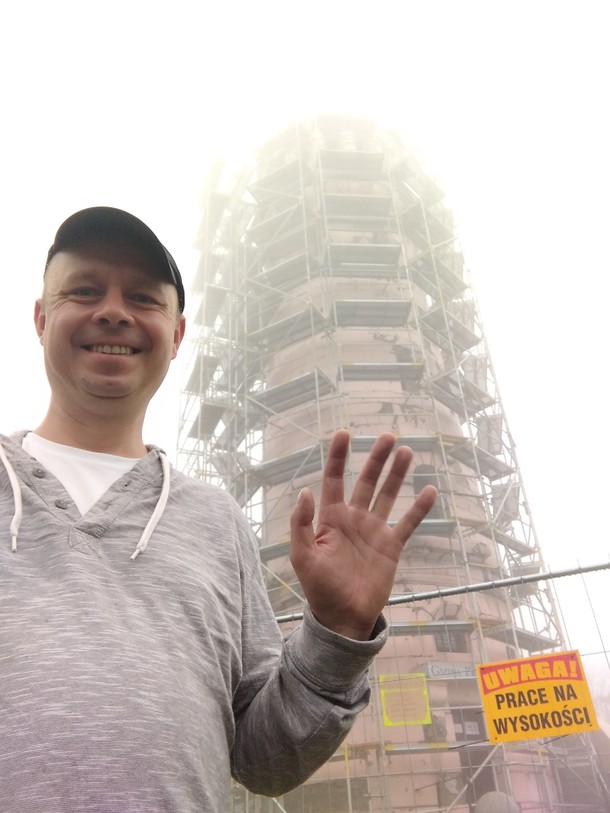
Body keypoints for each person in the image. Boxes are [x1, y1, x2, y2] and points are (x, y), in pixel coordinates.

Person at [0, 207, 436, 812]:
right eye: (85, 290)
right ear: (41, 318)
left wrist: (338, 632)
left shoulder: (216, 521)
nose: (114, 311)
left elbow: (264, 760)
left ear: (178, 335)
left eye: (144, 298)